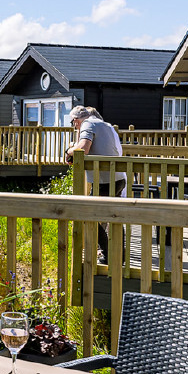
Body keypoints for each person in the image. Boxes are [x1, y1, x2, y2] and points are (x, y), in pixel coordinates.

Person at [64, 106, 125, 263]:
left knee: (87, 215)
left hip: (104, 180)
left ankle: (107, 255)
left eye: (73, 123)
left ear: (76, 121)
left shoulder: (87, 125)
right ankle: (120, 256)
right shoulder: (105, 124)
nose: (74, 126)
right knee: (114, 217)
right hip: (118, 178)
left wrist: (69, 151)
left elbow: (83, 148)